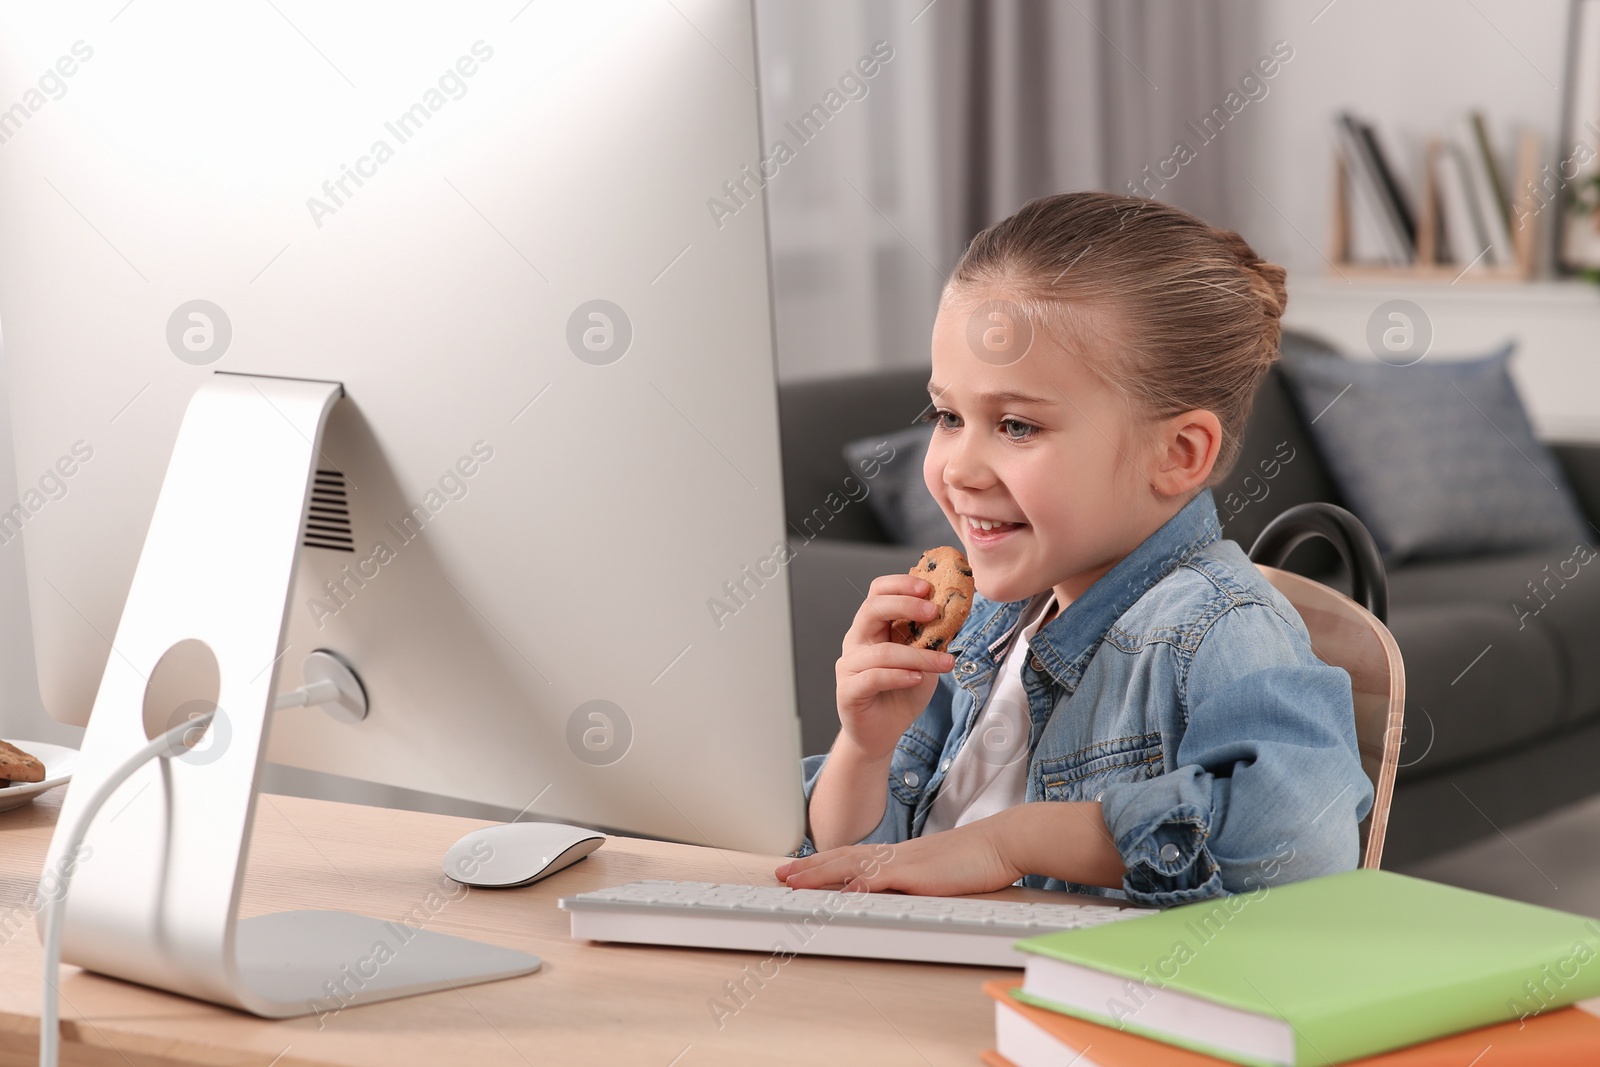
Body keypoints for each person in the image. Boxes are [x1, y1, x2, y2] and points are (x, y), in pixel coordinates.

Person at [773, 192, 1372, 908]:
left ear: (1178, 454)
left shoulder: (1216, 630)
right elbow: (862, 866)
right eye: (948, 415)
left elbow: (1297, 845)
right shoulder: (987, 626)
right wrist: (864, 749)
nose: (958, 466)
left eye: (1018, 425)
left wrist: (1009, 841)